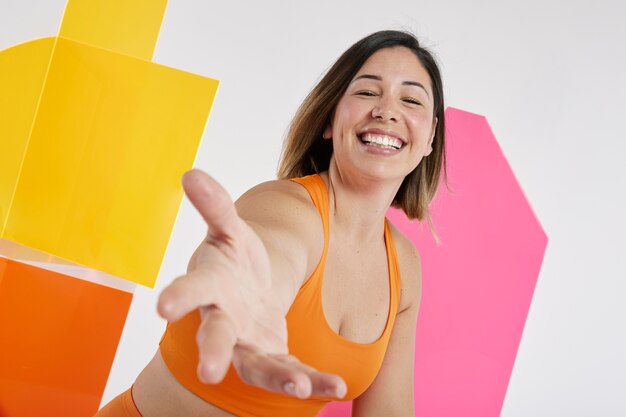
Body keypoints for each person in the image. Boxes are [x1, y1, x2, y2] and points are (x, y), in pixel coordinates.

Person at [95, 29, 446, 417]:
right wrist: (250, 287)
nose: (385, 110)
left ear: (431, 136)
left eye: (410, 99)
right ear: (330, 120)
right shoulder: (286, 206)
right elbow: (276, 251)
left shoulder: (404, 265)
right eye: (366, 92)